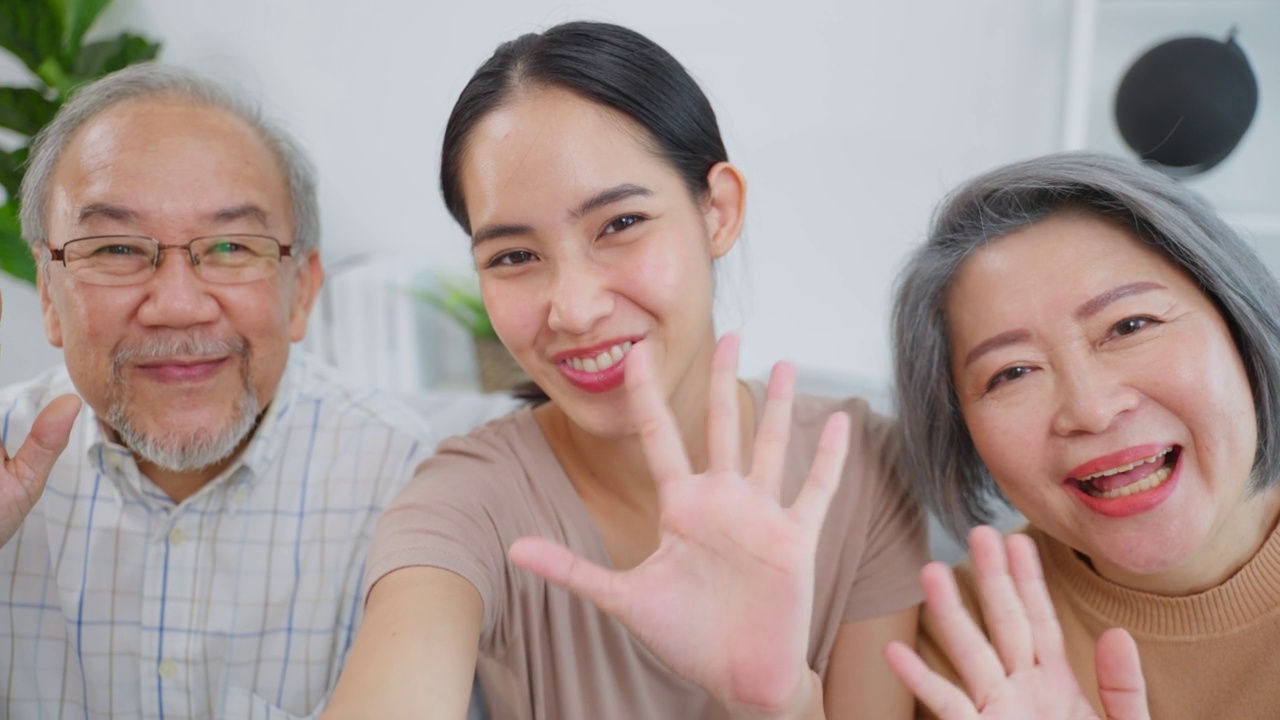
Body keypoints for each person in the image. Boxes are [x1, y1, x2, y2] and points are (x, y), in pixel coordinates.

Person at [322, 20, 927, 720]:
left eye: (619, 224)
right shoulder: (467, 499)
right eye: (514, 256)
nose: (573, 310)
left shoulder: (857, 468)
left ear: (718, 211)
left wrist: (782, 701)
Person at [1, 63, 440, 718]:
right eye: (117, 249)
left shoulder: (404, 480)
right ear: (49, 292)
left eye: (232, 245)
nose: (178, 306)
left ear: (302, 288)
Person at [884, 151, 1280, 719]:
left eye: (1129, 325)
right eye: (1012, 372)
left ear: (1237, 321)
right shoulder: (969, 644)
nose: (1090, 410)